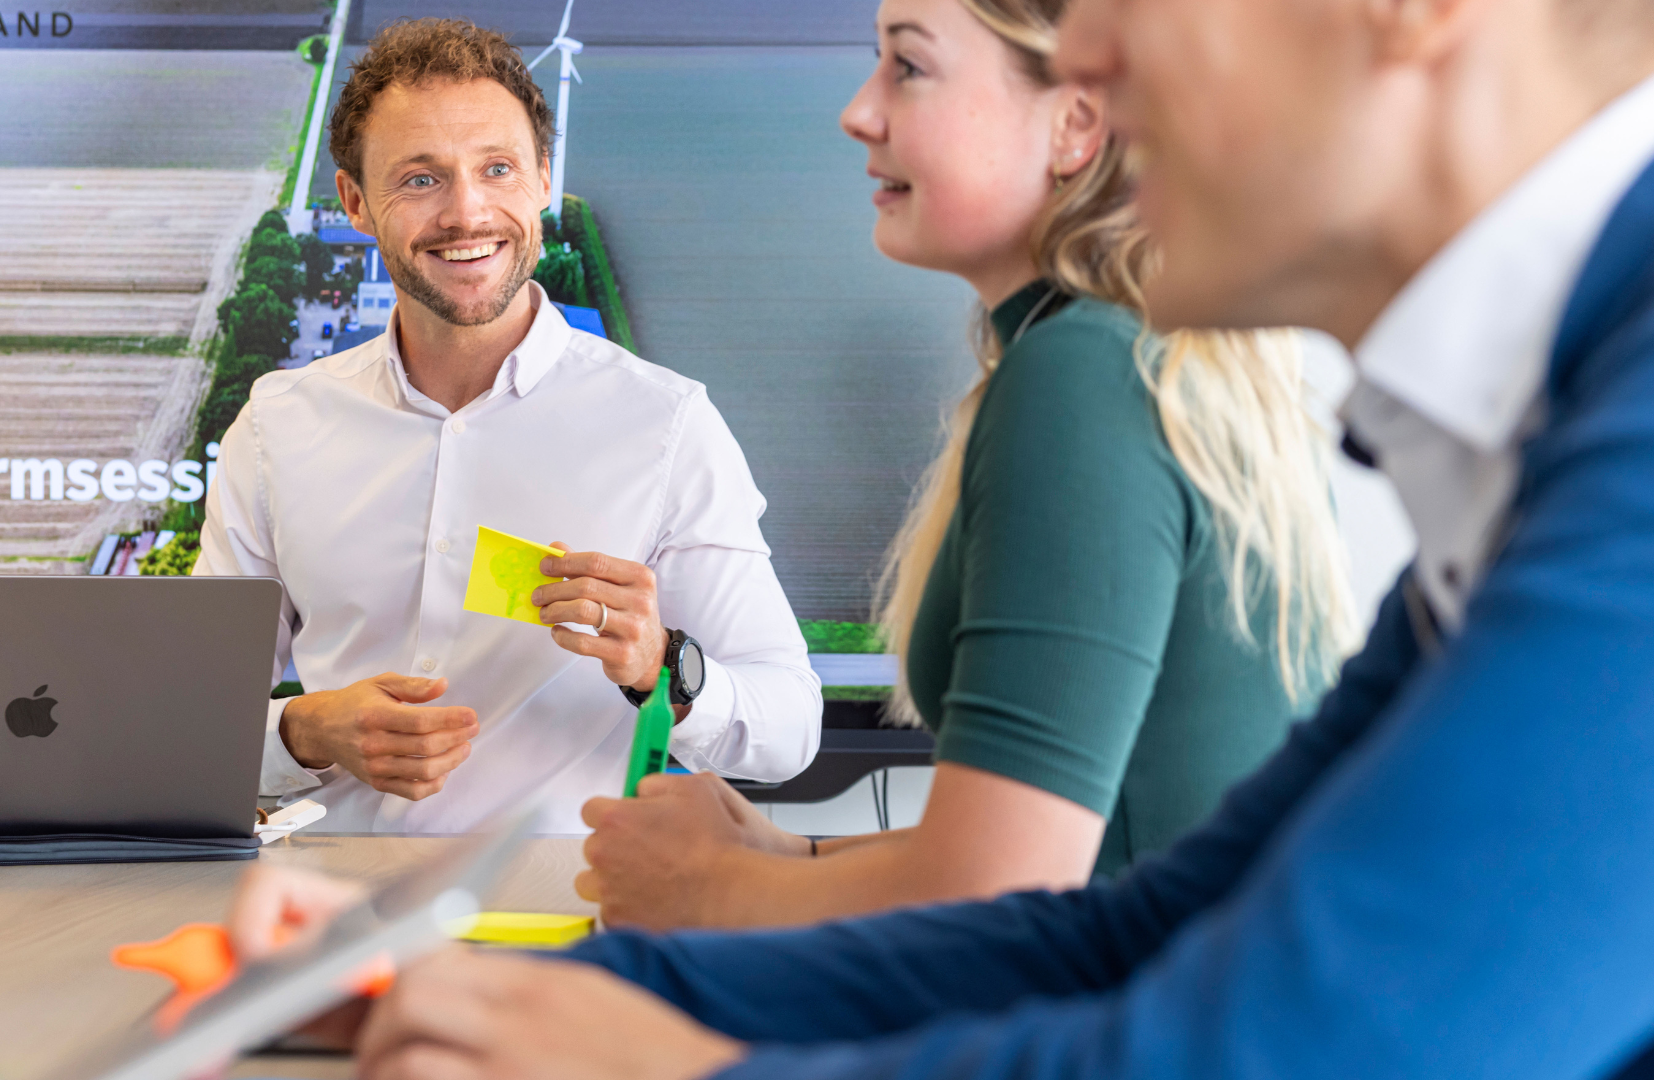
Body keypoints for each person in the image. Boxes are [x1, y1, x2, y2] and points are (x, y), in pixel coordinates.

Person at [227, 0, 1654, 1075]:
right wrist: (568, 1006)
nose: (1089, 64)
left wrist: (675, 1057)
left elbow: (1295, 1047)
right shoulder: (1559, 412)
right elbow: (1146, 927)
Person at [569, 0, 1356, 930]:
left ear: (1074, 122)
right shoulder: (1146, 352)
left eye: (908, 67)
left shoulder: (1082, 374)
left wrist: (711, 888)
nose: (858, 112)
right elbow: (1065, 832)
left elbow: (1008, 881)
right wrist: (789, 857)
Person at [195, 18, 821, 834]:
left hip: (561, 899)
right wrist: (303, 732)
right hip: (323, 898)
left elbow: (789, 729)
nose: (467, 212)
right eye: (420, 179)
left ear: (542, 181)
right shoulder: (278, 426)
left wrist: (661, 665)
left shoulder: (666, 425)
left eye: (497, 168)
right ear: (354, 203)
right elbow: (185, 717)